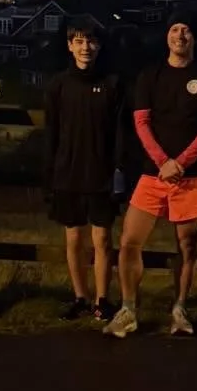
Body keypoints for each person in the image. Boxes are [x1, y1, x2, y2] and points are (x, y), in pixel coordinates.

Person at [108, 17, 197, 338]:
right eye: (174, 29)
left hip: (193, 177)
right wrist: (163, 162)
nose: (180, 34)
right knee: (129, 242)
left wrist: (182, 163)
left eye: (186, 29)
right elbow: (141, 122)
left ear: (193, 38)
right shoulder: (150, 76)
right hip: (153, 174)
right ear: (166, 37)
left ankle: (180, 309)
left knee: (187, 246)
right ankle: (128, 309)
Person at [42, 19, 126, 322]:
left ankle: (103, 299)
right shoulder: (58, 85)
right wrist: (49, 175)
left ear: (99, 45)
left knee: (102, 241)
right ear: (69, 46)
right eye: (78, 41)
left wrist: (119, 171)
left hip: (101, 174)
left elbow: (120, 132)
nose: (85, 47)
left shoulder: (113, 84)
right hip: (67, 174)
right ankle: (80, 297)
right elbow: (51, 132)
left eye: (90, 41)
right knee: (73, 240)